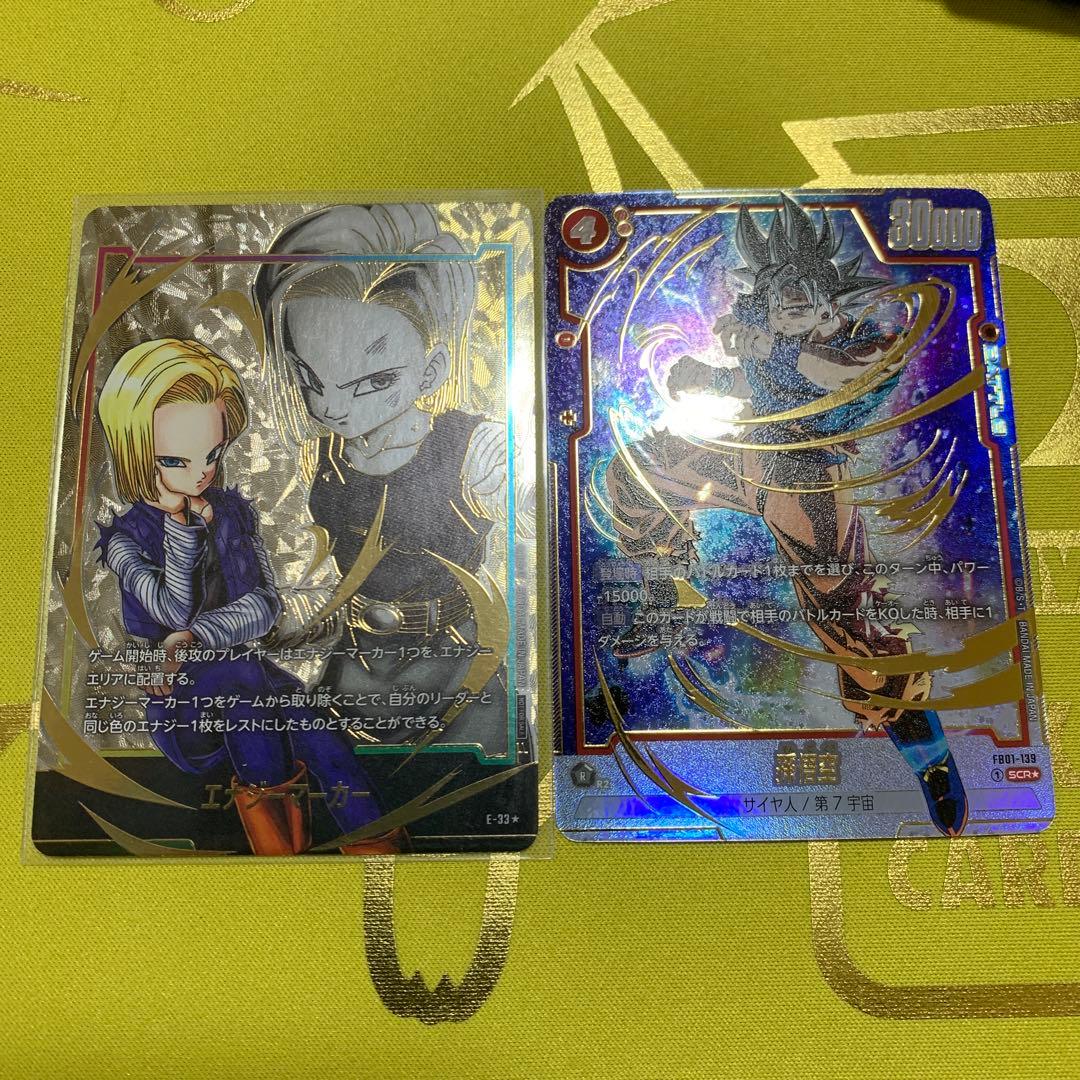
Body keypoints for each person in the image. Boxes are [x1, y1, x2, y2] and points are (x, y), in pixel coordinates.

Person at [606, 195, 969, 835]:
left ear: (829, 303)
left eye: (802, 294)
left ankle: (928, 754)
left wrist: (767, 349)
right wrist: (702, 376)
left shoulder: (864, 342)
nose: (791, 302)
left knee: (846, 626)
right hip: (744, 459)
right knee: (635, 473)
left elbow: (833, 378)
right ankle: (664, 594)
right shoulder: (771, 345)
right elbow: (747, 389)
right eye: (778, 296)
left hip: (808, 481)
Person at [95, 337, 391, 854]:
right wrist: (182, 529)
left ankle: (384, 861)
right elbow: (172, 610)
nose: (202, 472)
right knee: (250, 705)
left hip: (247, 679)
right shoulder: (126, 541)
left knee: (318, 734)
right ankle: (280, 870)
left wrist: (197, 635)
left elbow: (263, 606)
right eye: (176, 460)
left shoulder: (229, 512)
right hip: (183, 705)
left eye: (212, 454)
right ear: (136, 453)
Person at [254, 204, 516, 761]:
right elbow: (332, 573)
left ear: (431, 370)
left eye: (373, 381)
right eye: (310, 379)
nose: (331, 407)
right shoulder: (323, 453)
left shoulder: (476, 448)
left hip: (454, 671)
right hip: (353, 673)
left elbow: (543, 503)